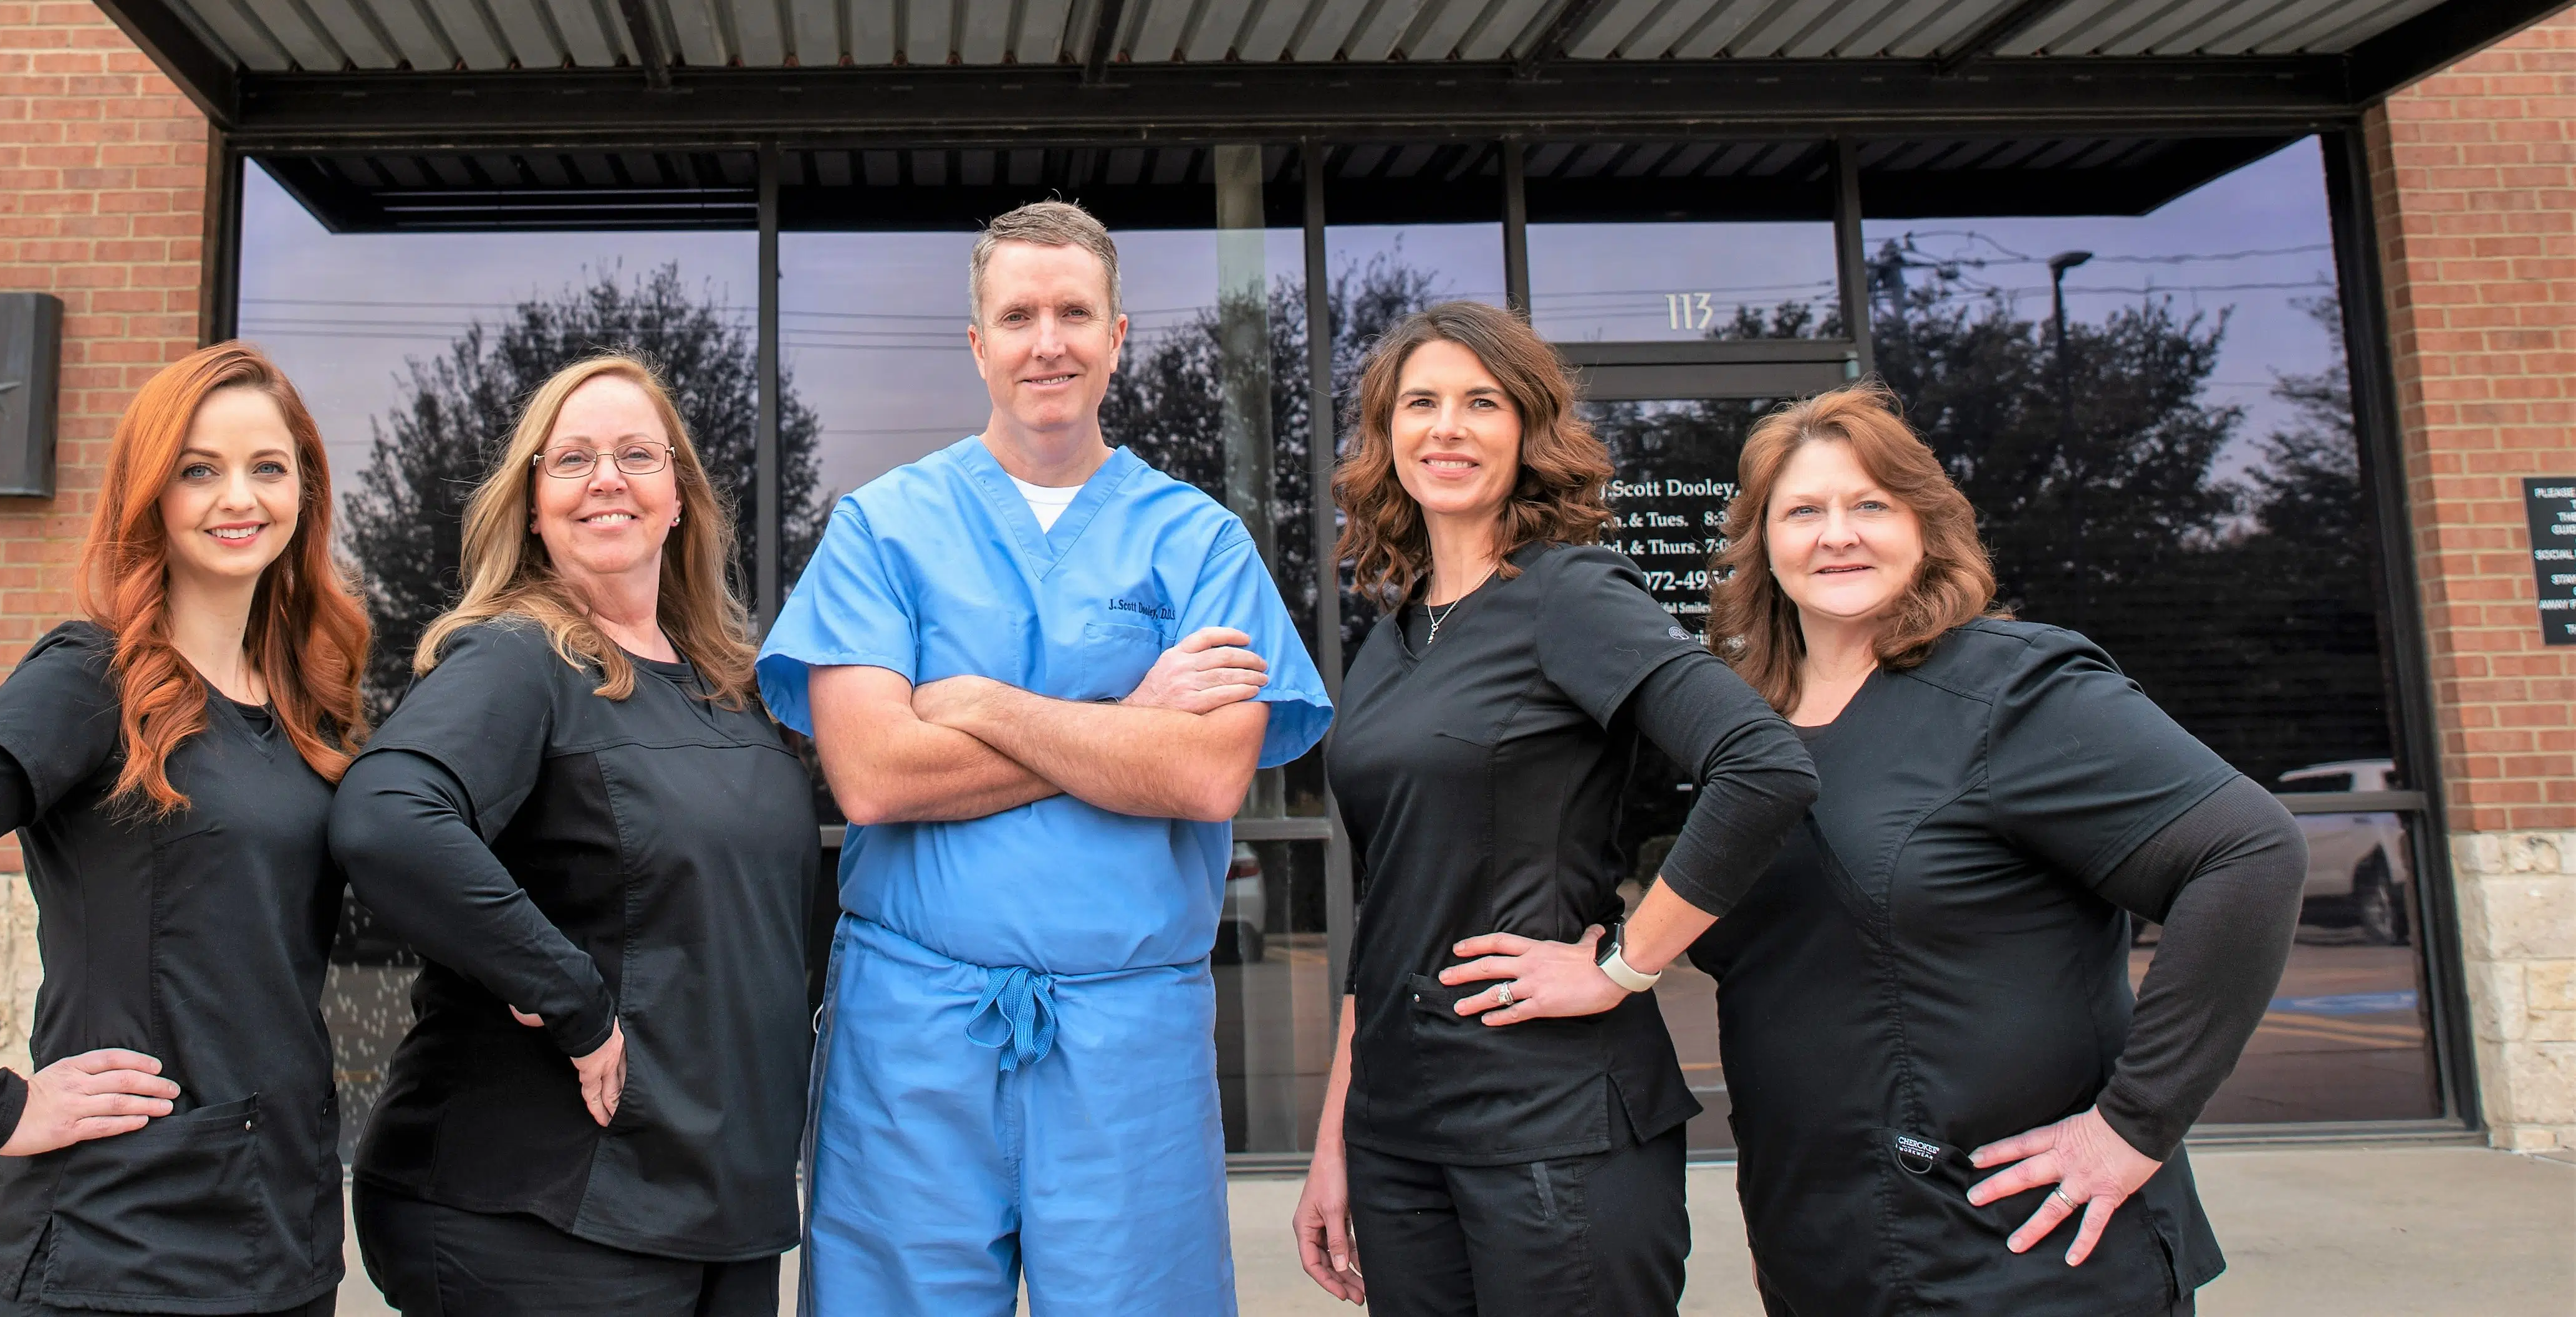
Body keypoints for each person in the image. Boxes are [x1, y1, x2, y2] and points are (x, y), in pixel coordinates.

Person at [759, 200, 1332, 1317]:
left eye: (1075, 312)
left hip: (1128, 1047)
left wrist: (971, 703)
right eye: (1017, 315)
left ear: (1119, 335)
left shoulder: (1199, 542)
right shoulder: (882, 528)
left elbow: (1207, 776)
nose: (1047, 341)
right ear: (977, 344)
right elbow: (874, 776)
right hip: (912, 1039)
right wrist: (1129, 713)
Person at [1689, 385, 2305, 1315]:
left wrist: (2132, 1126)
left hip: (2013, 1256)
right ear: (1761, 542)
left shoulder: (2011, 691)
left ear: (1924, 526)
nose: (1835, 534)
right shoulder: (1747, 733)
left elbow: (2250, 855)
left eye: (1869, 506)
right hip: (1819, 1248)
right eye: (1802, 511)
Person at [1290, 301, 1820, 1316]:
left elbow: (1761, 767)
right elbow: (1388, 904)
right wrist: (1337, 1141)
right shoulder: (1396, 632)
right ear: (1386, 433)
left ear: (1527, 431)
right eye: (1421, 403)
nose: (1446, 427)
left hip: (1549, 1129)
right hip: (1399, 1140)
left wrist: (1623, 964)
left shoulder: (1569, 596)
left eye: (1480, 402)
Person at [0, 344, 370, 1317]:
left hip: (285, 1228)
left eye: (268, 468)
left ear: (304, 492)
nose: (237, 497)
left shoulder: (306, 711)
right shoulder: (93, 679)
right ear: (150, 493)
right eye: (199, 469)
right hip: (119, 1241)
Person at [325, 355, 820, 1316]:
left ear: (678, 497)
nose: (607, 478)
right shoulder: (517, 658)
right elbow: (387, 818)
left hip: (719, 1206)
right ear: (533, 504)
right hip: (546, 1206)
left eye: (638, 454)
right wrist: (567, 997)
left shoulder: (728, 686)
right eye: (573, 459)